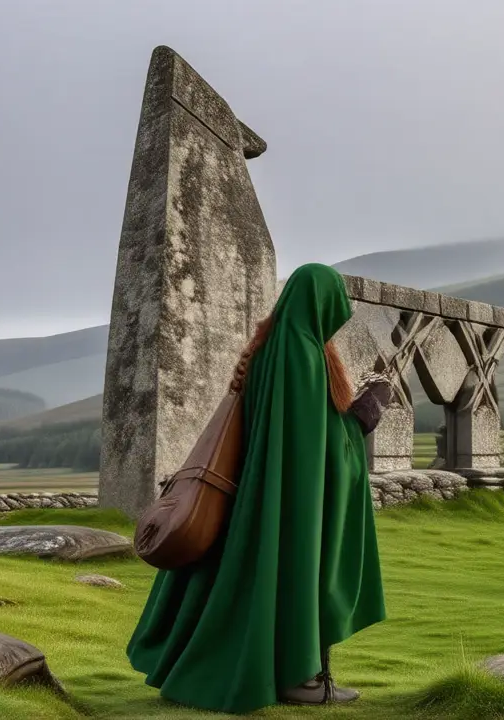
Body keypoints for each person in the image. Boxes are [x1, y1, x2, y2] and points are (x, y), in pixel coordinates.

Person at [127, 263, 387, 713]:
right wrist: (363, 416)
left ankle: (280, 672)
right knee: (298, 573)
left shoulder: (267, 348)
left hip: (260, 493)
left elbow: (297, 436)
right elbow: (316, 446)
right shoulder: (301, 353)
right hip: (290, 501)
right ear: (320, 303)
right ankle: (301, 679)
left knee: (255, 578)